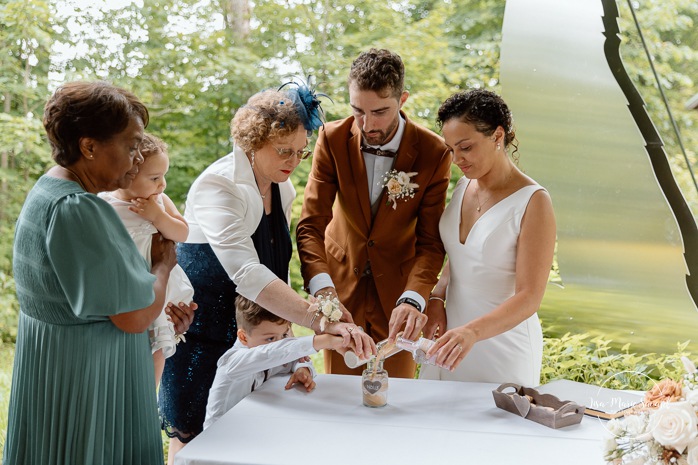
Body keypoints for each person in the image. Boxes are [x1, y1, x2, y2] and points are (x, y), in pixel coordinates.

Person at [159, 83, 375, 463]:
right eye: (283, 151)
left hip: (256, 339)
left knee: (251, 443)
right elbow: (247, 272)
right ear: (253, 141)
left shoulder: (283, 188)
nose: (294, 161)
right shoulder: (218, 185)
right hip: (203, 335)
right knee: (194, 443)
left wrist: (297, 351)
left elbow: (276, 271)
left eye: (300, 151)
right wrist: (317, 320)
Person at [3, 81, 195, 465]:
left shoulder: (46, 190)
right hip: (89, 381)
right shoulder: (79, 209)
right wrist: (162, 266)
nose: (136, 160)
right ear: (89, 146)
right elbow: (134, 316)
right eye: (130, 145)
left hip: (53, 368)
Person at [296, 49, 451, 378]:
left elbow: (430, 242)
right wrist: (323, 288)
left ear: (402, 99)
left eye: (379, 111)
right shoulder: (331, 139)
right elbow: (310, 225)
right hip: (339, 295)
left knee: (394, 404)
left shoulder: (434, 152)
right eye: (357, 111)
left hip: (398, 301)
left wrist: (413, 298)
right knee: (338, 402)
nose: (366, 124)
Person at [420, 89, 556, 387]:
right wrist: (436, 297)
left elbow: (529, 297)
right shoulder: (463, 187)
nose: (457, 159)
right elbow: (459, 259)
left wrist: (473, 332)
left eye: (465, 147)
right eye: (451, 149)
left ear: (497, 136)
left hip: (501, 346)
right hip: (450, 340)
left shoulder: (533, 202)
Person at [99, 133, 195, 386]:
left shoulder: (160, 202)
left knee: (158, 345)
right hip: (128, 288)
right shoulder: (104, 204)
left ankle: (148, 395)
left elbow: (182, 233)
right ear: (126, 173)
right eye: (154, 178)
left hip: (159, 288)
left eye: (164, 176)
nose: (162, 184)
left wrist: (159, 217)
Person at [203, 295, 344, 430]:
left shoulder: (276, 349)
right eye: (270, 339)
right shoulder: (233, 361)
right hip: (222, 435)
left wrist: (301, 368)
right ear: (243, 337)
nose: (280, 342)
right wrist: (325, 341)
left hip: (257, 425)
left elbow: (294, 357)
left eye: (284, 335)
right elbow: (272, 353)